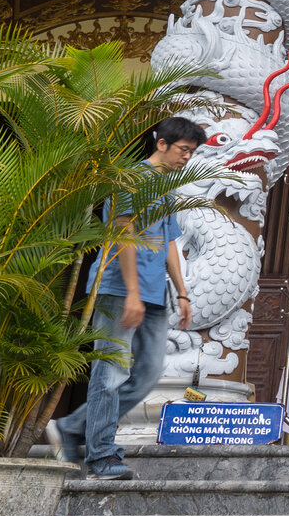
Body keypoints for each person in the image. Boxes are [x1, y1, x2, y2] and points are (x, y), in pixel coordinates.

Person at [46, 117, 205, 481]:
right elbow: (123, 233)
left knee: (147, 375)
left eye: (192, 153)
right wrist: (132, 292)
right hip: (119, 289)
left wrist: (182, 292)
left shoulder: (167, 188)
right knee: (111, 371)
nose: (187, 158)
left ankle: (72, 426)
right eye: (184, 150)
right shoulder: (131, 179)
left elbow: (168, 243)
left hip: (154, 293)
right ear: (161, 144)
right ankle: (101, 456)